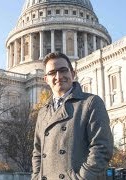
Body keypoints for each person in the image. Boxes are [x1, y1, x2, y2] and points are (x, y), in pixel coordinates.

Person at [31, 52, 113, 180]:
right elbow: (37, 152)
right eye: (52, 73)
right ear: (46, 79)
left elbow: (101, 148)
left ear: (73, 74)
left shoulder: (91, 103)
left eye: (63, 70)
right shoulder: (42, 112)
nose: (58, 76)